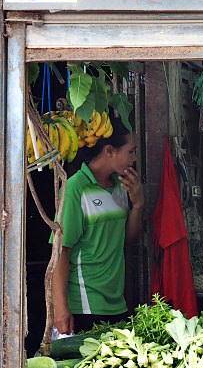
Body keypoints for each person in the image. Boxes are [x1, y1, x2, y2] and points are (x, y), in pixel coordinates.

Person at [52, 116, 144, 334]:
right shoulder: (76, 188)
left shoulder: (122, 186)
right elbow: (61, 251)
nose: (134, 158)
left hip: (117, 302)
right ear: (109, 151)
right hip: (84, 304)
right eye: (131, 151)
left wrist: (138, 204)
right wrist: (60, 308)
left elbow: (125, 241)